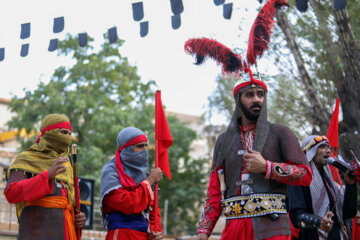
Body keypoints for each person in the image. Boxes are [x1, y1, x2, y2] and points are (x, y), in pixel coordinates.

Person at [196, 71, 312, 240]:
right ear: (238, 100)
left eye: (260, 94)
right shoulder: (223, 140)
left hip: (273, 230)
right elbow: (214, 190)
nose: (256, 99)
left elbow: (305, 174)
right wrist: (204, 229)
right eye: (249, 95)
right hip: (233, 231)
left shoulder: (281, 133)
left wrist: (268, 167)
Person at [5, 114, 86, 240]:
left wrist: (77, 217)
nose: (67, 137)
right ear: (50, 133)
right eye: (63, 132)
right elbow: (11, 193)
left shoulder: (68, 164)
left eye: (69, 133)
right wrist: (47, 175)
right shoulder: (27, 158)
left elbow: (67, 203)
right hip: (36, 233)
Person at [288, 135, 357, 240]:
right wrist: (319, 222)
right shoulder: (299, 178)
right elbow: (296, 217)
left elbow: (349, 213)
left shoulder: (332, 184)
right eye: (322, 147)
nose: (328, 150)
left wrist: (350, 185)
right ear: (310, 151)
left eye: (328, 147)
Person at [100, 127, 163, 240]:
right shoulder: (111, 170)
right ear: (127, 148)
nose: (144, 149)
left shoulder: (144, 174)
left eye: (145, 145)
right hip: (121, 234)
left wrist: (155, 230)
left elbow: (153, 208)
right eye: (139, 146)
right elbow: (127, 204)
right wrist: (150, 181)